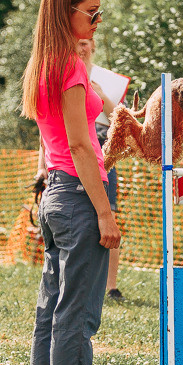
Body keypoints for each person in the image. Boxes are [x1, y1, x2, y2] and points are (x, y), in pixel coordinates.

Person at [20, 0, 120, 365]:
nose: (98, 22)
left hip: (55, 196)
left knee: (51, 313)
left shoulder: (43, 65)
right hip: (79, 197)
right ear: (67, 13)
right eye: (92, 13)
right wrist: (104, 211)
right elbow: (81, 145)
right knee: (76, 317)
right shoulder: (70, 68)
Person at [76, 37, 124, 303]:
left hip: (104, 156)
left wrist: (101, 95)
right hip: (72, 158)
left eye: (86, 43)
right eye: (78, 43)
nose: (82, 48)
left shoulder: (106, 81)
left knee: (109, 219)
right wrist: (41, 168)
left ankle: (111, 287)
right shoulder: (65, 77)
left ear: (93, 46)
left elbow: (121, 119)